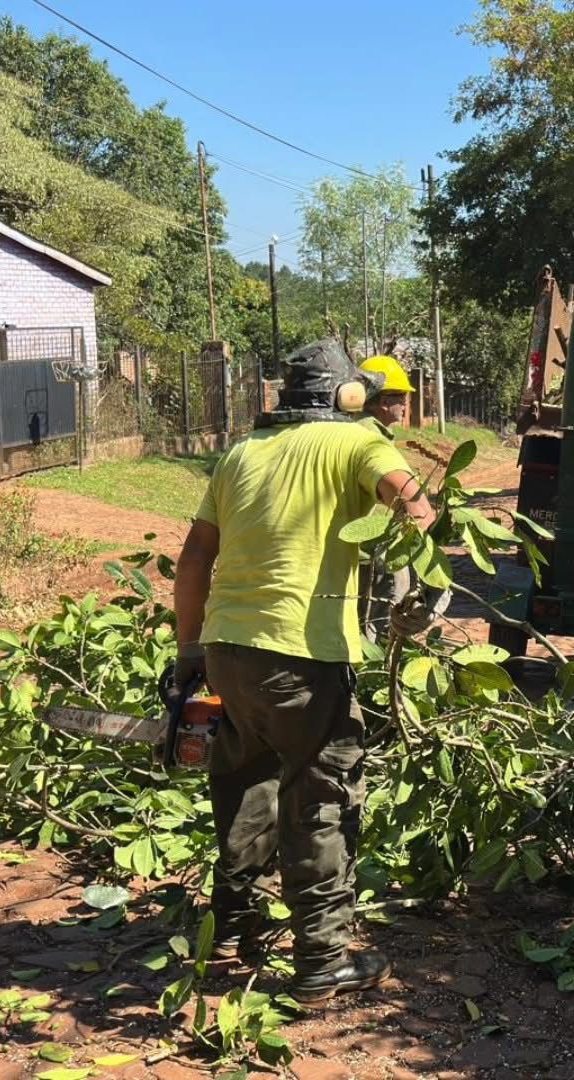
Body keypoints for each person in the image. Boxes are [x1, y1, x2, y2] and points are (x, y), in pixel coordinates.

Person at [173, 338, 437, 1006]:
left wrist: (188, 654)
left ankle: (233, 929)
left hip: (228, 650)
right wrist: (421, 594)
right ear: (349, 395)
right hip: (302, 655)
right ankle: (321, 960)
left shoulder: (240, 453)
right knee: (321, 793)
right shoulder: (357, 441)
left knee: (245, 777)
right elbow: (415, 507)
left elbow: (195, 557)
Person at [355, 355, 415, 642]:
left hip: (366, 548)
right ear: (383, 401)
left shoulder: (363, 430)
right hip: (376, 552)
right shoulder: (370, 437)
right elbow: (405, 498)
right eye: (401, 397)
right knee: (378, 631)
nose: (405, 404)